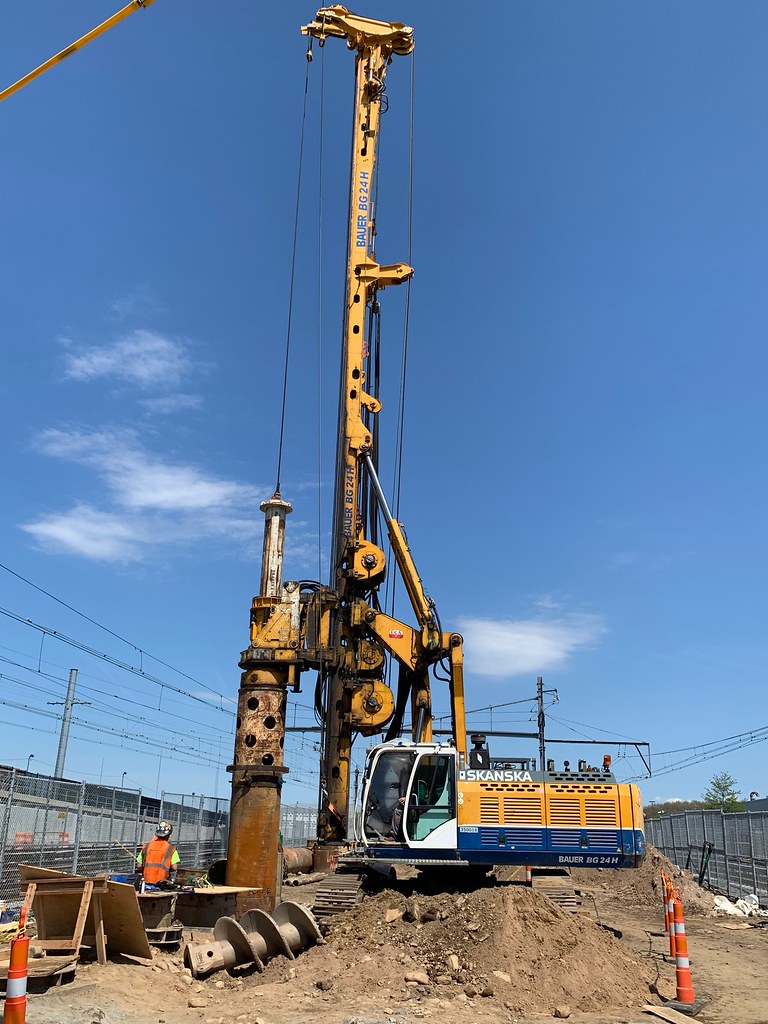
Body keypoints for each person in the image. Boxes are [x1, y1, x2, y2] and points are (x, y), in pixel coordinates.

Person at [136, 821, 180, 885]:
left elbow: (139, 866)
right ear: (168, 835)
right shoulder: (171, 849)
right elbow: (174, 867)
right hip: (162, 884)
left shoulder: (146, 847)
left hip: (145, 883)